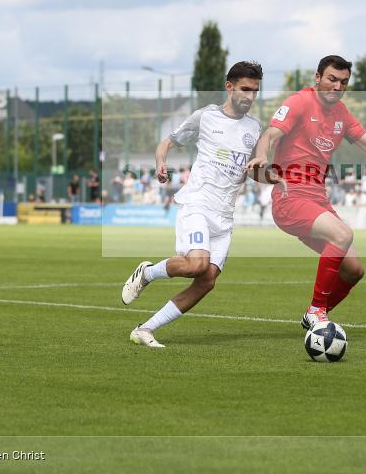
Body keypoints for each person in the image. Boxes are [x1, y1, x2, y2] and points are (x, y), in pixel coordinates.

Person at [247, 55, 366, 329]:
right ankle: (318, 312)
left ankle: (314, 319)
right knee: (343, 234)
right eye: (332, 79)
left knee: (353, 270)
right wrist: (262, 157)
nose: (337, 86)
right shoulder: (299, 101)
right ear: (317, 78)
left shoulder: (342, 113)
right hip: (290, 197)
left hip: (318, 199)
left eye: (343, 82)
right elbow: (270, 135)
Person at [120, 62, 283, 348]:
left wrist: (275, 178)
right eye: (245, 89)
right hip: (197, 203)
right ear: (229, 87)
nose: (250, 96)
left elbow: (253, 170)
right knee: (197, 264)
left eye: (255, 91)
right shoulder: (205, 117)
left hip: (224, 216)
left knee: (206, 280)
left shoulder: (254, 127)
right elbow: (166, 143)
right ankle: (147, 273)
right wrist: (161, 164)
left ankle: (144, 329)